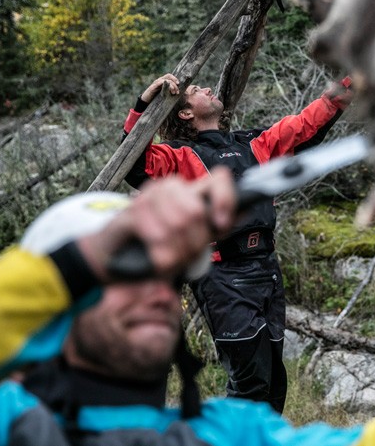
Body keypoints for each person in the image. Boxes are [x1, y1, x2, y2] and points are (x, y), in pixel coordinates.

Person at [0, 170, 375, 445]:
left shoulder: (235, 434)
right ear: (57, 297)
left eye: (168, 276)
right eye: (127, 272)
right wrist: (84, 259)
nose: (158, 290)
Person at [120, 73, 353, 412]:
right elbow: (133, 160)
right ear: (185, 113)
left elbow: (307, 124)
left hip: (266, 270)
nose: (208, 88)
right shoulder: (179, 156)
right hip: (223, 275)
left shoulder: (253, 143)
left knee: (274, 384)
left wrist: (350, 83)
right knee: (250, 384)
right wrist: (144, 102)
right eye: (197, 90)